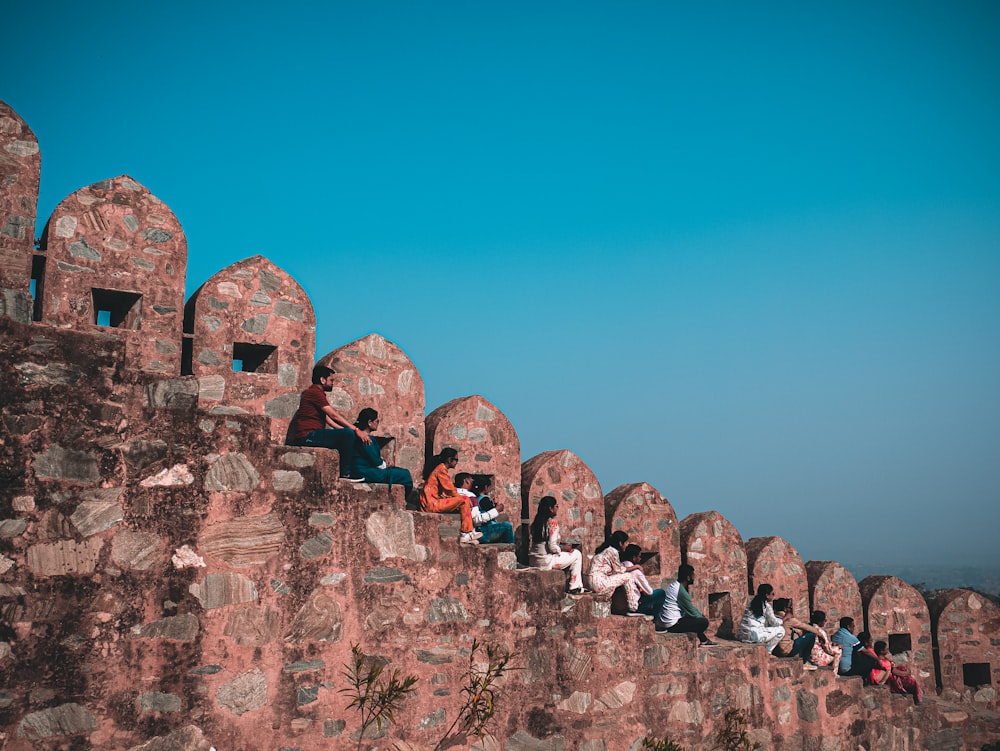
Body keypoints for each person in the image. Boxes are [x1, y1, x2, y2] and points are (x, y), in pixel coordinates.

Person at [287, 365, 368, 481]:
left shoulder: (317, 393)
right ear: (322, 380)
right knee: (349, 434)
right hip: (307, 436)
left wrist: (347, 431)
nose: (332, 383)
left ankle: (354, 470)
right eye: (331, 380)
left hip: (313, 434)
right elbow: (333, 415)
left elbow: (327, 419)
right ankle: (345, 474)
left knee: (348, 435)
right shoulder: (314, 392)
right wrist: (356, 430)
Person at [419, 448, 481, 545]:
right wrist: (461, 499)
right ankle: (466, 533)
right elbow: (450, 489)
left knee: (463, 501)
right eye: (456, 459)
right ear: (449, 460)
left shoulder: (440, 469)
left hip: (433, 502)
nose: (457, 462)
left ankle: (468, 532)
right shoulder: (441, 470)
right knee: (464, 500)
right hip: (431, 504)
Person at [528, 496, 585, 594]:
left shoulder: (536, 523)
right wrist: (563, 549)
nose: (557, 508)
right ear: (551, 508)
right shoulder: (552, 523)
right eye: (556, 506)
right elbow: (552, 546)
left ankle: (575, 586)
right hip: (546, 561)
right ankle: (575, 587)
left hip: (534, 560)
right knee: (576, 554)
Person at [350, 408, 414, 495]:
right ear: (369, 422)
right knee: (404, 474)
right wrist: (384, 464)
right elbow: (376, 461)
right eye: (377, 421)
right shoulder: (366, 439)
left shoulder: (360, 436)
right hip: (365, 472)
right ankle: (405, 499)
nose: (378, 423)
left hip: (362, 470)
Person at [657, 564, 716, 645]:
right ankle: (704, 640)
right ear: (688, 577)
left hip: (667, 621)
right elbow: (691, 611)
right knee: (703, 622)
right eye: (693, 575)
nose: (694, 578)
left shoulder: (673, 585)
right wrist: (701, 617)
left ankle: (704, 640)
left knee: (694, 619)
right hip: (672, 624)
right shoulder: (681, 592)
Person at [587, 532, 642, 610]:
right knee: (628, 576)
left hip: (592, 583)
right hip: (599, 583)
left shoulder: (603, 550)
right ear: (620, 543)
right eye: (626, 542)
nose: (627, 545)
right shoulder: (612, 551)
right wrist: (636, 567)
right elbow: (619, 570)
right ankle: (633, 607)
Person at [454, 473, 514, 544]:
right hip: (473, 530)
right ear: (466, 481)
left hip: (458, 530)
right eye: (471, 481)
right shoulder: (471, 497)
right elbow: (477, 519)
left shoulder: (453, 494)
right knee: (507, 526)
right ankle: (510, 550)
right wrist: (496, 510)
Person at [737, 584, 785, 656]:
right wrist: (783, 619)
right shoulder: (766, 606)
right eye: (772, 593)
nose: (773, 595)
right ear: (767, 595)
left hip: (743, 636)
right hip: (754, 636)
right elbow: (774, 622)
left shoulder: (751, 603)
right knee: (781, 630)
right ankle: (768, 652)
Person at [621, 544, 666, 618]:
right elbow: (649, 592)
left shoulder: (621, 566)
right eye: (639, 556)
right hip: (635, 604)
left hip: (621, 604)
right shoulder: (636, 572)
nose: (640, 558)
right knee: (661, 593)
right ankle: (656, 623)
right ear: (634, 558)